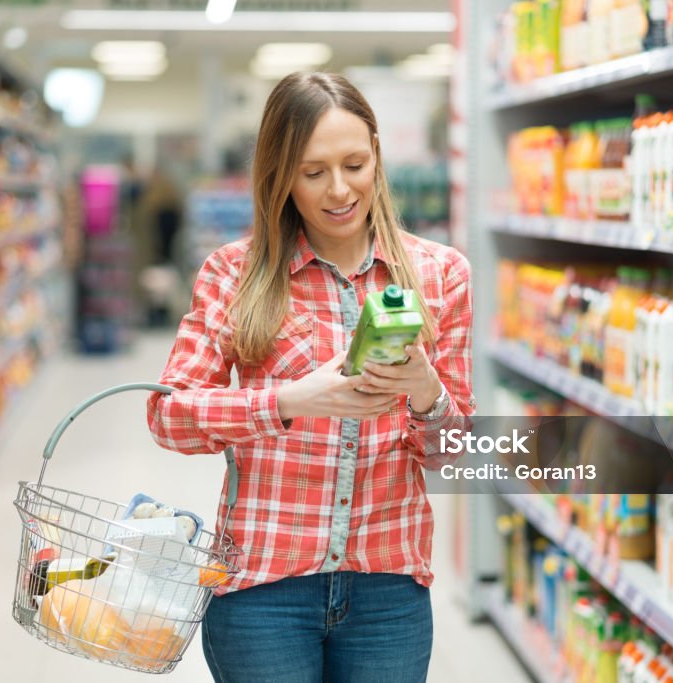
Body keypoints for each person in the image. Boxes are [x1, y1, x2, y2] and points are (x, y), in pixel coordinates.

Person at [148, 71, 474, 683]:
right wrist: (290, 401)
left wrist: (426, 391)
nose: (340, 190)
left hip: (389, 591)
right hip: (262, 589)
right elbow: (169, 417)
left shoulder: (440, 275)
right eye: (313, 171)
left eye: (354, 164)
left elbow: (457, 460)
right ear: (281, 176)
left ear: (376, 153)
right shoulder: (234, 274)